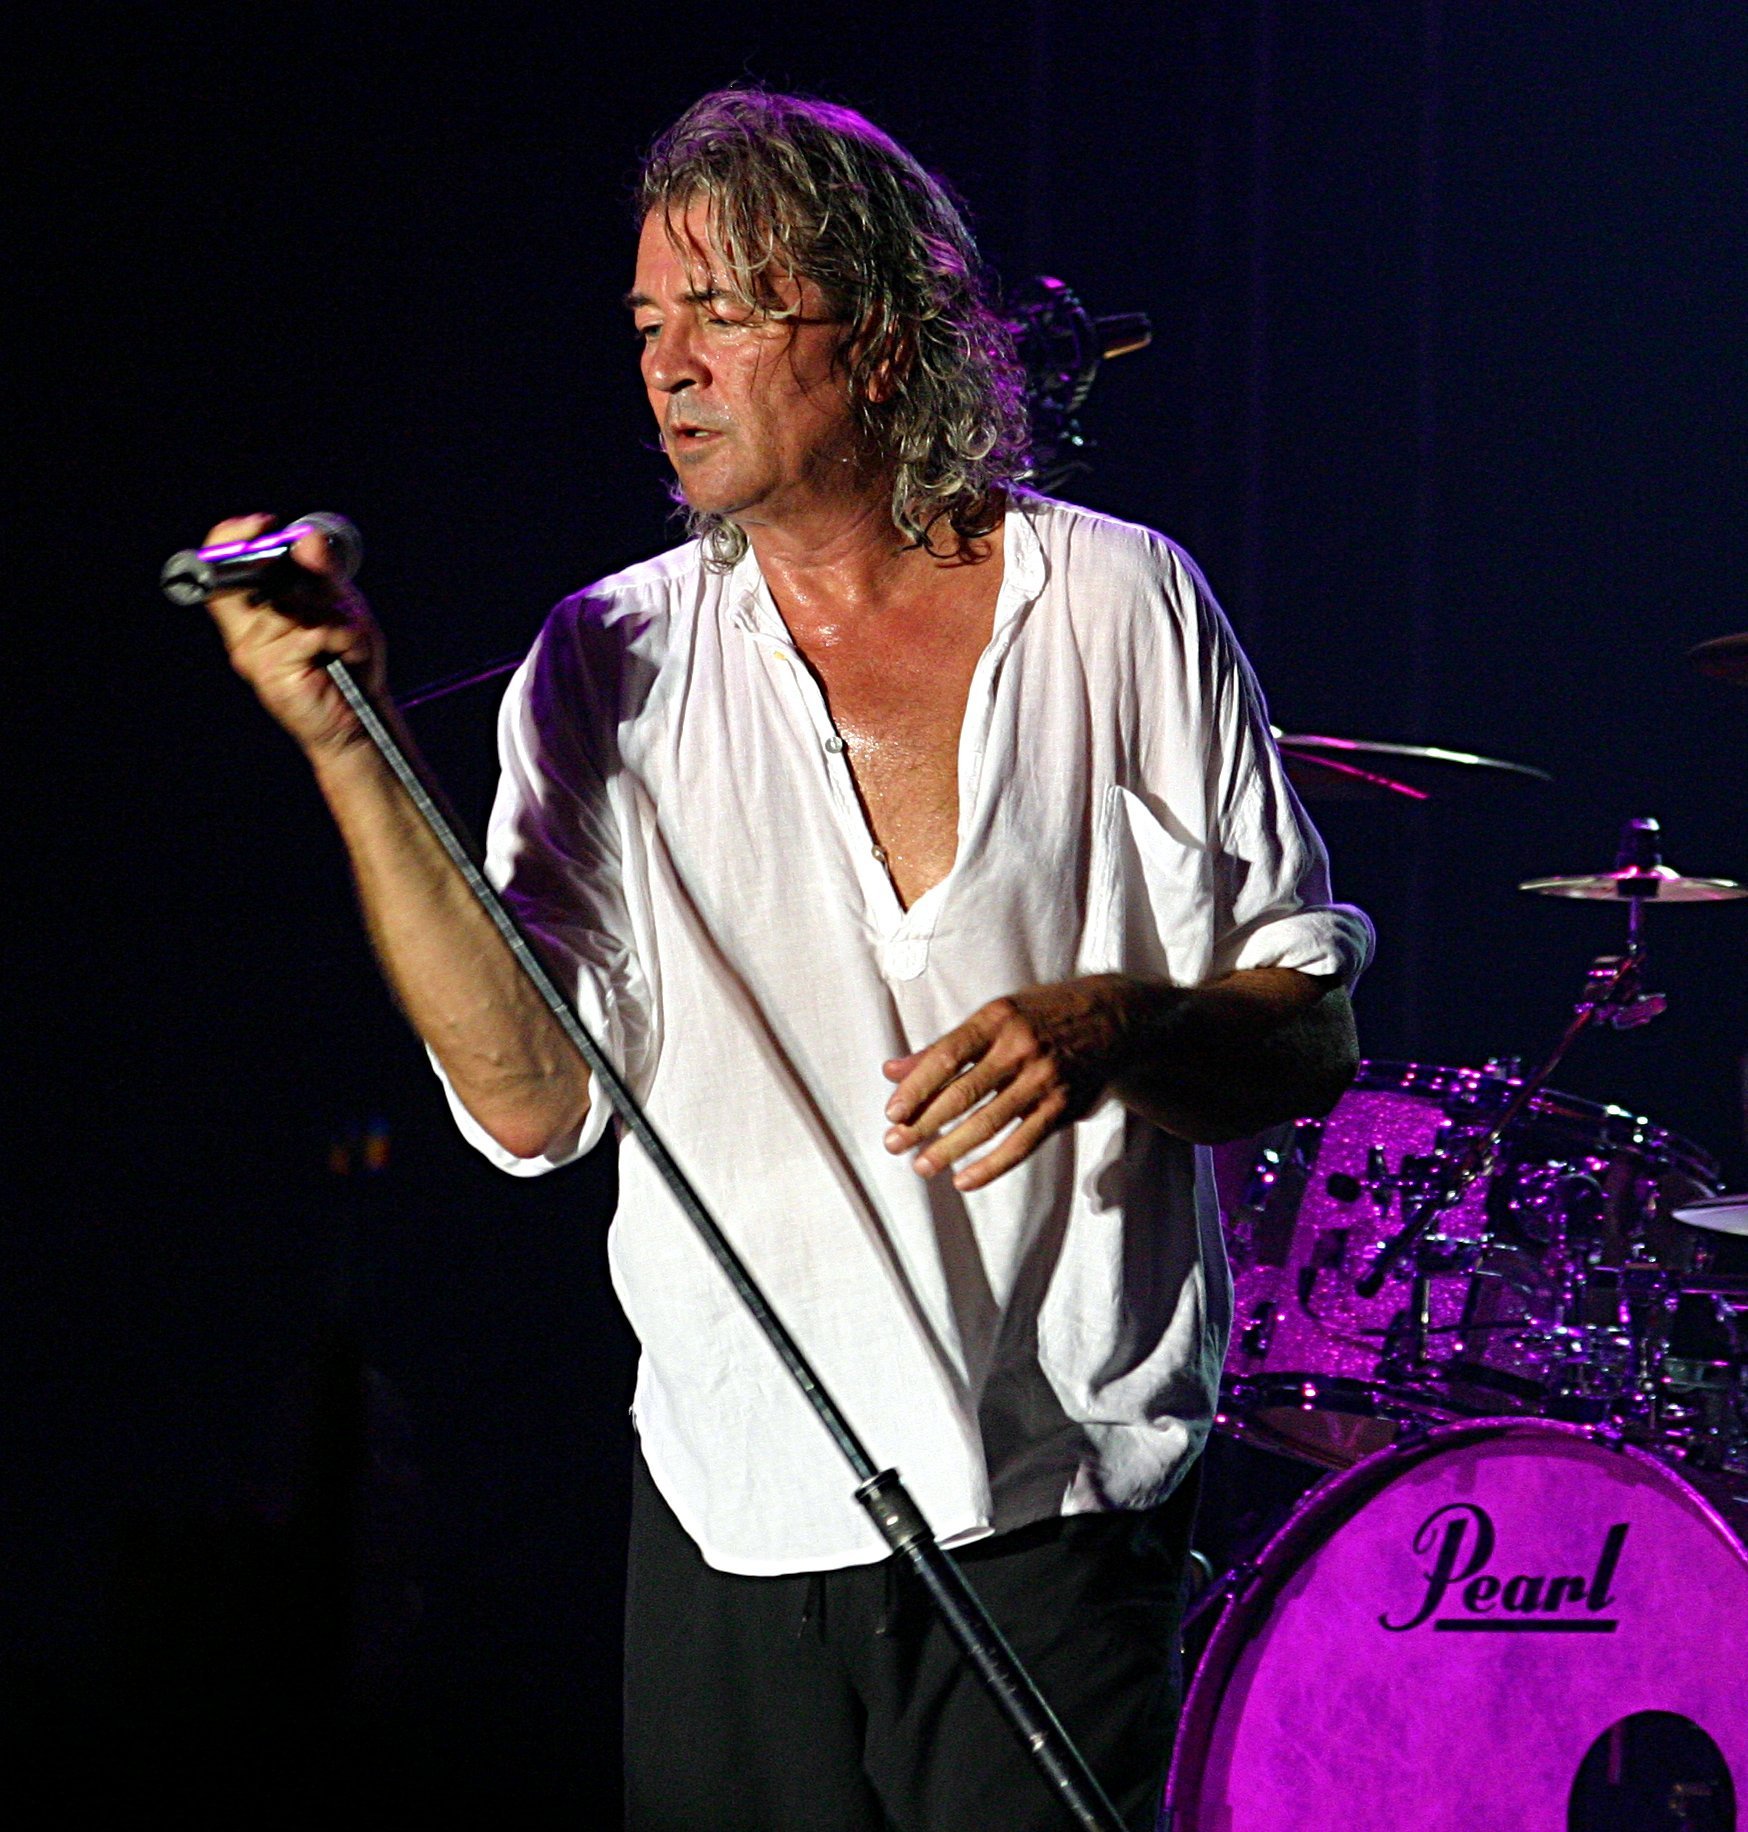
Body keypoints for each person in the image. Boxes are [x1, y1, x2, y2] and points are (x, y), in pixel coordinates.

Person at [203, 88, 1370, 1832]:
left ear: (884, 337)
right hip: (737, 1503)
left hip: (1063, 1497)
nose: (670, 368)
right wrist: (347, 744)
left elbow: (1306, 1035)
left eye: (726, 313)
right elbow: (525, 1104)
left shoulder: (1119, 605)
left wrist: (1117, 1023)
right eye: (646, 325)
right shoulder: (606, 659)